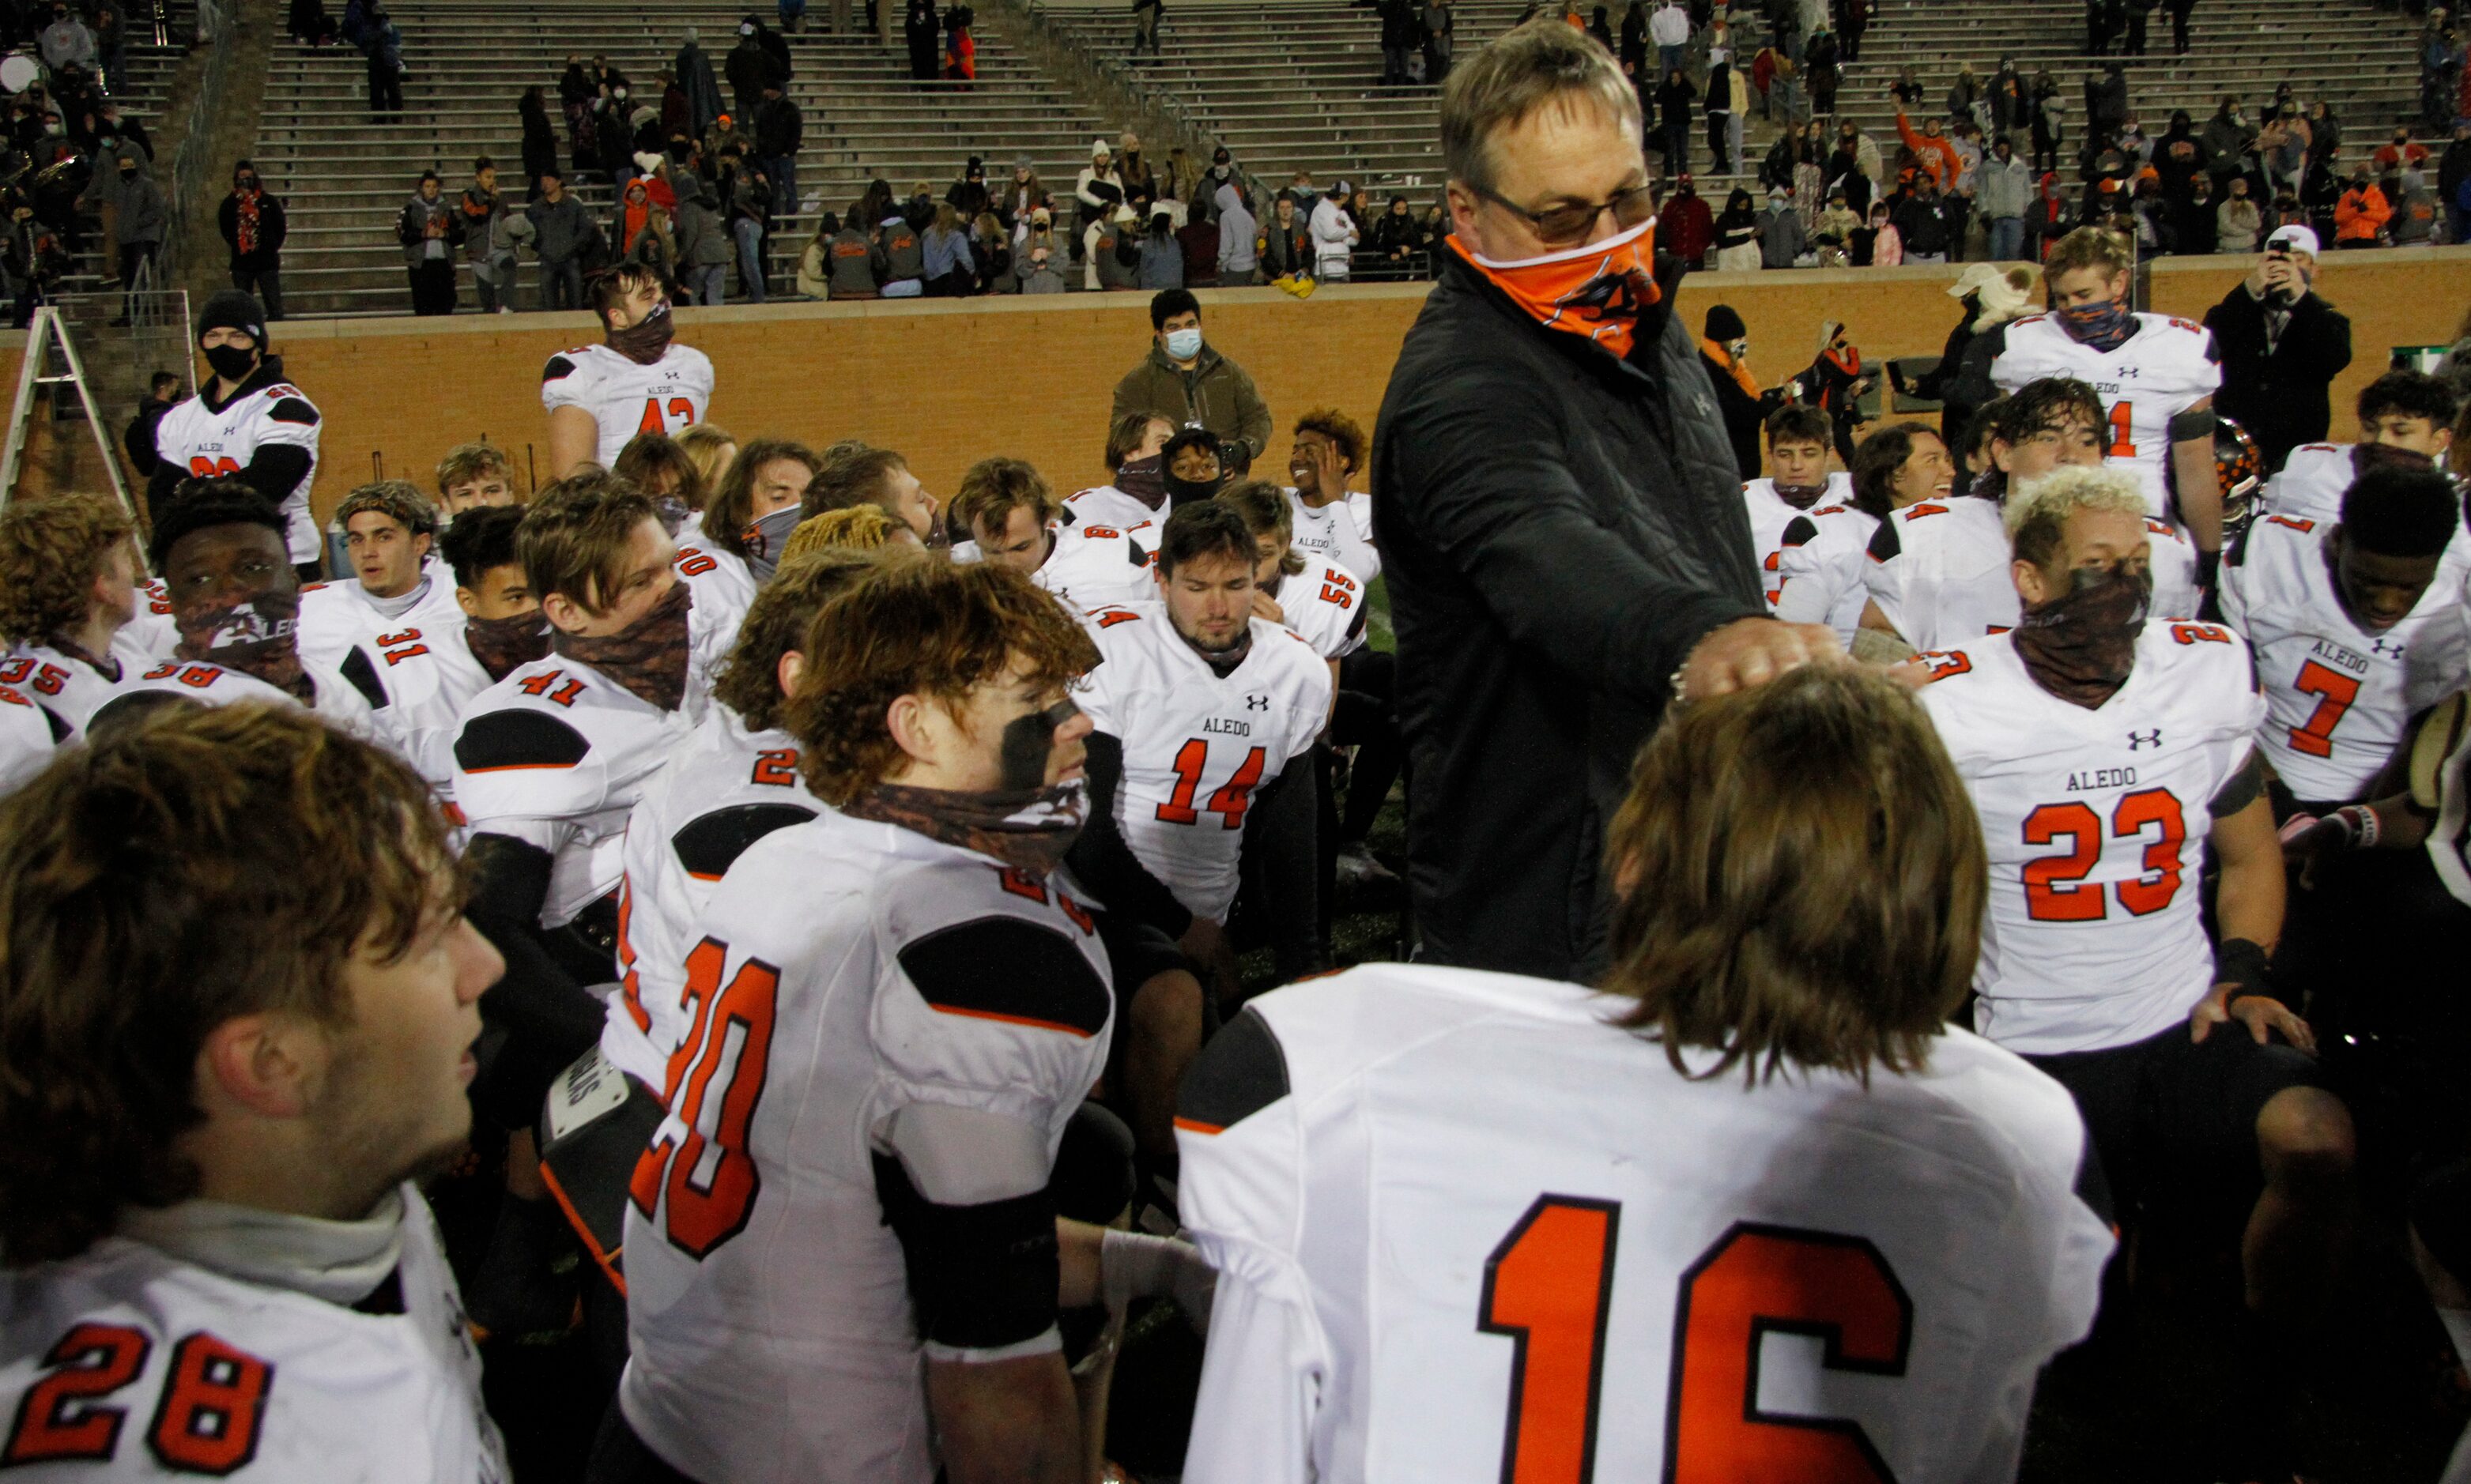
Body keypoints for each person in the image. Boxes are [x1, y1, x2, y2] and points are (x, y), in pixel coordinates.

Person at [1177, 665, 2111, 1484]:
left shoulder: (1341, 1061)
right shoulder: (2018, 1136)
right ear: (1941, 888)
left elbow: (1239, 1109)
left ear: (1634, 864)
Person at [604, 554, 1211, 1482]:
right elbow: (992, 1361)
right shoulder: (977, 947)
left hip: (667, 1410)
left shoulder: (785, 858)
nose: (1076, 721)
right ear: (916, 726)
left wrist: (1156, 1267)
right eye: (1035, 696)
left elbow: (891, 1211)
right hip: (817, 1448)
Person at [1911, 465, 2355, 1467]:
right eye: (2096, 567)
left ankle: (2274, 1393)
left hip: (2178, 1018)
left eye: (2138, 566)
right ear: (2028, 581)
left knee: (2316, 1139)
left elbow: (2247, 855)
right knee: (2085, 1322)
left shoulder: (2199, 670)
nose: (2124, 587)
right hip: (2031, 1040)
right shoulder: (1953, 703)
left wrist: (2244, 967)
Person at [1379, 22, 1833, 977]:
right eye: (1560, 215)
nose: (1607, 237)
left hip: (1688, 824)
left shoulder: (1639, 313)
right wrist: (1708, 636)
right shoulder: (1460, 385)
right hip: (1554, 894)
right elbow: (1543, 548)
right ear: (1466, 209)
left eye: (1627, 197)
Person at [0, 703, 511, 1478]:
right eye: (428, 936)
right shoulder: (266, 1450)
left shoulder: (325, 1184)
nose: (487, 969)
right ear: (272, 1061)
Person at [1067, 499, 1334, 998]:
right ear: (1163, 583)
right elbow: (1084, 826)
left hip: (1212, 908)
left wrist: (1302, 959)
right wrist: (1181, 925)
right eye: (1197, 587)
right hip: (1104, 906)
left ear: (1258, 581)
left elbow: (1288, 833)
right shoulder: (1113, 648)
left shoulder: (1296, 671)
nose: (1218, 607)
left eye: (1235, 586)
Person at [2221, 463, 2467, 816]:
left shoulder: (2455, 614)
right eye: (2369, 579)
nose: (2387, 603)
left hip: (2376, 803)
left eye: (2409, 587)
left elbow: (2432, 746)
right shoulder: (2269, 553)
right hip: (2251, 776)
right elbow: (2218, 684)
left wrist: (2358, 829)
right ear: (2337, 541)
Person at [1962, 228, 2222, 558]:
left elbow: (2196, 468)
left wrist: (2209, 557)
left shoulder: (2180, 350)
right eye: (2062, 298)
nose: (2072, 307)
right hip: (2049, 523)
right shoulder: (2024, 345)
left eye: (2083, 294)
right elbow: (2008, 452)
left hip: (2142, 524)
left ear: (2119, 283)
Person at [89, 480, 375, 736]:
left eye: (253, 567)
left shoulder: (337, 688)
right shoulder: (150, 713)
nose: (232, 592)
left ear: (294, 581)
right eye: (201, 579)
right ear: (173, 604)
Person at [146, 292, 324, 579]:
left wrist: (188, 492)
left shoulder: (289, 407)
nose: (223, 345)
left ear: (257, 344)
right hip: (206, 566)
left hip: (283, 563)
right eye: (213, 336)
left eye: (237, 336)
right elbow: (160, 496)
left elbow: (263, 490)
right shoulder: (179, 417)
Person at [2201, 224, 2352, 475]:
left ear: (2315, 271)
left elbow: (2333, 357)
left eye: (2297, 258)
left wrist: (2301, 300)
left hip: (2297, 460)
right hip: (2234, 456)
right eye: (2278, 257)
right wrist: (2249, 290)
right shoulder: (2236, 310)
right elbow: (2208, 348)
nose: (2286, 265)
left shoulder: (2328, 320)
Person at [542, 264, 715, 477]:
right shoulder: (583, 370)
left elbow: (705, 455)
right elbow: (573, 478)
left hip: (686, 503)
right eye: (648, 296)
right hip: (621, 505)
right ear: (618, 317)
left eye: (661, 292)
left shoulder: (691, 363)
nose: (662, 302)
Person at [0, 492, 146, 741]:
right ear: (104, 588)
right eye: (126, 558)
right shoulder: (50, 708)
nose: (133, 573)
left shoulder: (120, 648)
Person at [2262, 370, 2457, 525]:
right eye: (2370, 428)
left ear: (2439, 441)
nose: (2381, 441)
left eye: (2400, 431)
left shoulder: (2458, 504)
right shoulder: (2307, 469)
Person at [1112, 288, 1273, 469]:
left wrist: (1239, 451)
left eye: (1190, 324)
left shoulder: (1229, 372)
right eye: (1174, 327)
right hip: (1168, 491)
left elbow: (1258, 418)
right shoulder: (1138, 382)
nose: (1184, 332)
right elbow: (1122, 437)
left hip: (1228, 487)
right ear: (1159, 333)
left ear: (1200, 325)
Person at [217, 160, 287, 320]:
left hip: (266, 261)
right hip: (242, 262)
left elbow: (280, 226)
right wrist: (238, 244)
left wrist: (272, 246)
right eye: (242, 176)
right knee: (244, 307)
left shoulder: (268, 201)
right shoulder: (229, 204)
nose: (246, 180)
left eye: (249, 176)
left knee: (274, 305)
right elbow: (225, 229)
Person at [526, 170, 596, 312]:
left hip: (571, 258)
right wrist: (540, 247)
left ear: (558, 182)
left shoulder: (573, 205)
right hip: (547, 259)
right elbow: (529, 231)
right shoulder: (536, 207)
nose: (545, 183)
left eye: (548, 179)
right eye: (543, 180)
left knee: (575, 304)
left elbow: (585, 229)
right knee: (549, 305)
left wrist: (573, 247)